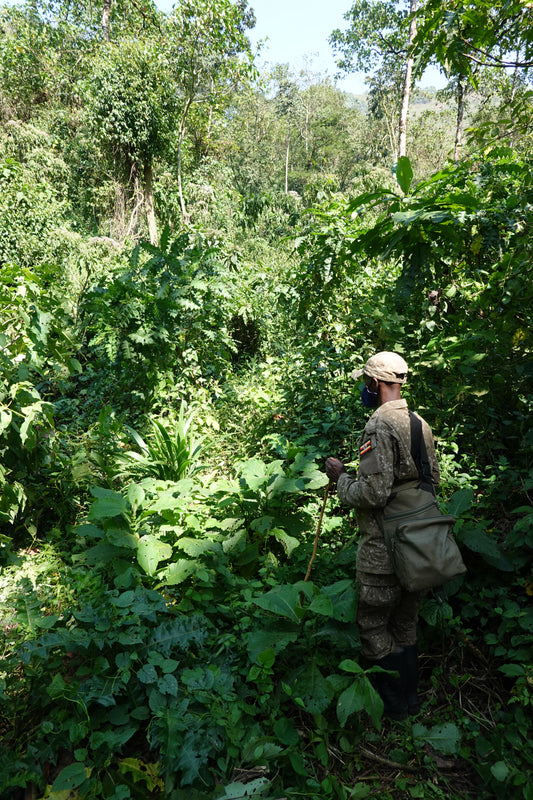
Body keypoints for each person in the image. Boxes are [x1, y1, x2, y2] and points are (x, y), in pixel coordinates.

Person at [325, 351, 440, 720]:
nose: (365, 388)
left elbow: (373, 493)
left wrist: (341, 479)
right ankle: (412, 702)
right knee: (405, 624)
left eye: (366, 382)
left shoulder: (378, 425)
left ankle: (393, 708)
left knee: (372, 624)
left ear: (375, 384)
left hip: (383, 551)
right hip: (420, 544)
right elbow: (431, 484)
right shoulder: (420, 423)